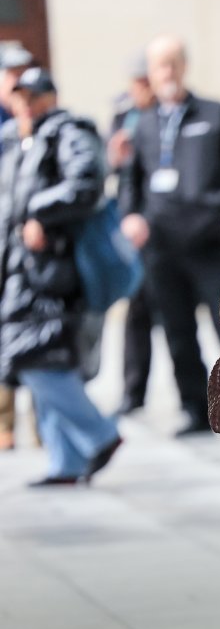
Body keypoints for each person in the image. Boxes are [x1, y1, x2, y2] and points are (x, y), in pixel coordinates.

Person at [119, 35, 220, 435]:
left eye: (174, 63)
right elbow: (132, 181)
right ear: (152, 73)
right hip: (161, 246)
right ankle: (197, 410)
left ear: (184, 66)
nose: (168, 72)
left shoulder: (212, 113)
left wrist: (216, 205)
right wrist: (132, 217)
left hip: (206, 242)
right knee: (177, 331)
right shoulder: (142, 123)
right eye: (160, 65)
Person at [0, 68, 121, 486]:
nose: (25, 104)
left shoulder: (69, 131)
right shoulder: (19, 140)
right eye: (19, 97)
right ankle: (66, 462)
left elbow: (85, 184)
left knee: (30, 357)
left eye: (34, 96)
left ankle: (99, 433)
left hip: (55, 269)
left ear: (51, 96)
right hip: (24, 269)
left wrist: (39, 212)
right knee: (48, 358)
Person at [108, 53, 156, 415]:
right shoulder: (124, 115)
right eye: (135, 82)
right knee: (136, 310)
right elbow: (114, 168)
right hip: (132, 223)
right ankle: (132, 392)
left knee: (179, 314)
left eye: (144, 81)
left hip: (164, 222)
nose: (139, 89)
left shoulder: (169, 113)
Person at [0, 44, 35, 449]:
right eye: (11, 74)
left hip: (28, 248)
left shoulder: (35, 120)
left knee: (38, 335)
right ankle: (5, 426)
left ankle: (43, 431)